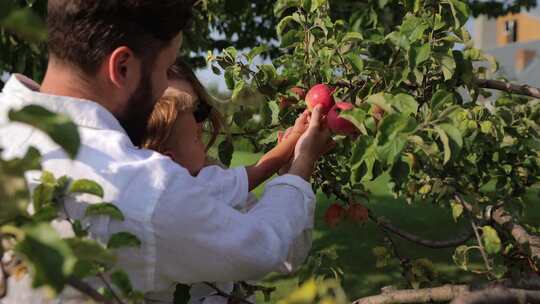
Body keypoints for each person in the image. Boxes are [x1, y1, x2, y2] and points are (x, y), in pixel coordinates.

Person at [0, 1, 333, 303]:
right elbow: (263, 248)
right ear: (123, 68)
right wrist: (302, 162)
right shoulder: (143, 189)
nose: (164, 89)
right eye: (164, 69)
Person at [141, 59, 314, 302]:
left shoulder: (212, 171)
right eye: (173, 115)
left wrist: (291, 175)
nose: (197, 126)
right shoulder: (194, 186)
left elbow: (287, 254)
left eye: (197, 110)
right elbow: (259, 170)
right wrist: (299, 151)